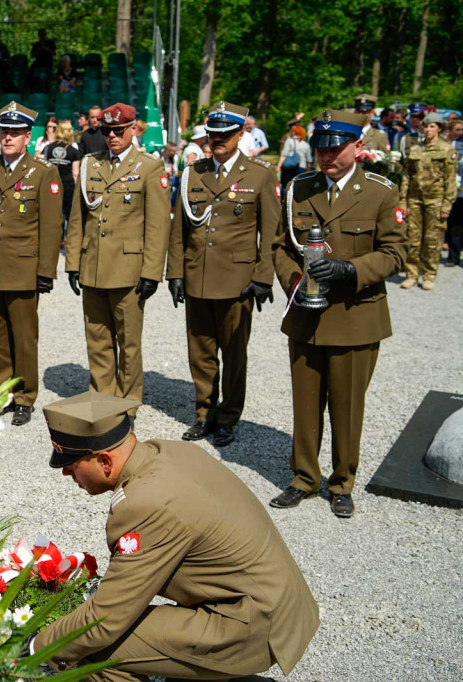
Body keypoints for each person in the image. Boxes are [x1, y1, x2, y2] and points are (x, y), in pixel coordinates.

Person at [29, 391, 319, 681]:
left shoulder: (145, 503)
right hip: (273, 602)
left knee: (96, 648)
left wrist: (36, 648)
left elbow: (107, 619)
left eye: (72, 464)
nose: (65, 472)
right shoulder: (169, 452)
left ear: (105, 461)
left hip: (253, 623)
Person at [270, 109, 406, 518]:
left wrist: (350, 270)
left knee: (347, 407)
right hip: (306, 316)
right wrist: (294, 282)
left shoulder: (380, 192)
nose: (326, 156)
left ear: (357, 146)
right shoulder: (299, 188)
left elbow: (395, 253)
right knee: (305, 403)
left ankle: (342, 482)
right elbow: (281, 246)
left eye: (336, 148)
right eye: (320, 148)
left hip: (354, 315)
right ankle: (304, 478)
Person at [166, 101, 281, 447]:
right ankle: (204, 414)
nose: (217, 140)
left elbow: (271, 232)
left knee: (233, 354)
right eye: (212, 134)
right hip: (197, 276)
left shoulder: (260, 175)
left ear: (241, 133)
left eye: (225, 134)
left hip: (237, 282)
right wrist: (175, 272)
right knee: (200, 353)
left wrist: (263, 277)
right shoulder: (194, 172)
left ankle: (228, 417)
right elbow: (179, 228)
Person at [65, 103, 170, 419]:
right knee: (97, 340)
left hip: (129, 270)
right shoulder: (91, 164)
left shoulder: (149, 167)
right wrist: (73, 263)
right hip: (93, 266)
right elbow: (77, 218)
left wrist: (152, 272)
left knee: (129, 343)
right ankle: (102, 399)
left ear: (133, 129)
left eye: (119, 130)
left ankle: (127, 404)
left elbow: (157, 225)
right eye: (107, 130)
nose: (112, 136)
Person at [0, 102, 62, 426]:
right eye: (4, 132)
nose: (8, 138)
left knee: (23, 337)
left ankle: (25, 397)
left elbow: (51, 226)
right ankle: (3, 393)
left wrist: (46, 271)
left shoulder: (43, 172)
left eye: (15, 133)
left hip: (23, 269)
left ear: (27, 137)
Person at [398, 112, 458, 290]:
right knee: (412, 238)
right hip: (414, 199)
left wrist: (447, 204)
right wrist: (403, 201)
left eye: (432, 126)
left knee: (433, 240)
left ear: (439, 128)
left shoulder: (446, 149)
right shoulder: (415, 149)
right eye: (425, 126)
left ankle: (429, 274)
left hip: (436, 200)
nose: (428, 130)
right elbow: (407, 177)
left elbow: (450, 179)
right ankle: (411, 274)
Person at [42, 118, 80, 233]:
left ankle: (54, 237)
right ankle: (68, 238)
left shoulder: (47, 148)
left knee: (52, 214)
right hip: (68, 186)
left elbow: (43, 168)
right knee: (69, 215)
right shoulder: (73, 151)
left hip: (51, 185)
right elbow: (75, 173)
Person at [445, 119, 463, 266]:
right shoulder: (448, 146)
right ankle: (453, 256)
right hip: (454, 191)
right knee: (454, 225)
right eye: (457, 130)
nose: (461, 133)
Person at [278, 125, 311, 191]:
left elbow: (284, 155)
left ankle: (285, 197)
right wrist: (307, 171)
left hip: (290, 167)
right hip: (302, 168)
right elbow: (309, 160)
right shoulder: (306, 145)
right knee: (299, 187)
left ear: (294, 133)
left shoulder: (289, 141)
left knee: (286, 185)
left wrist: (279, 166)